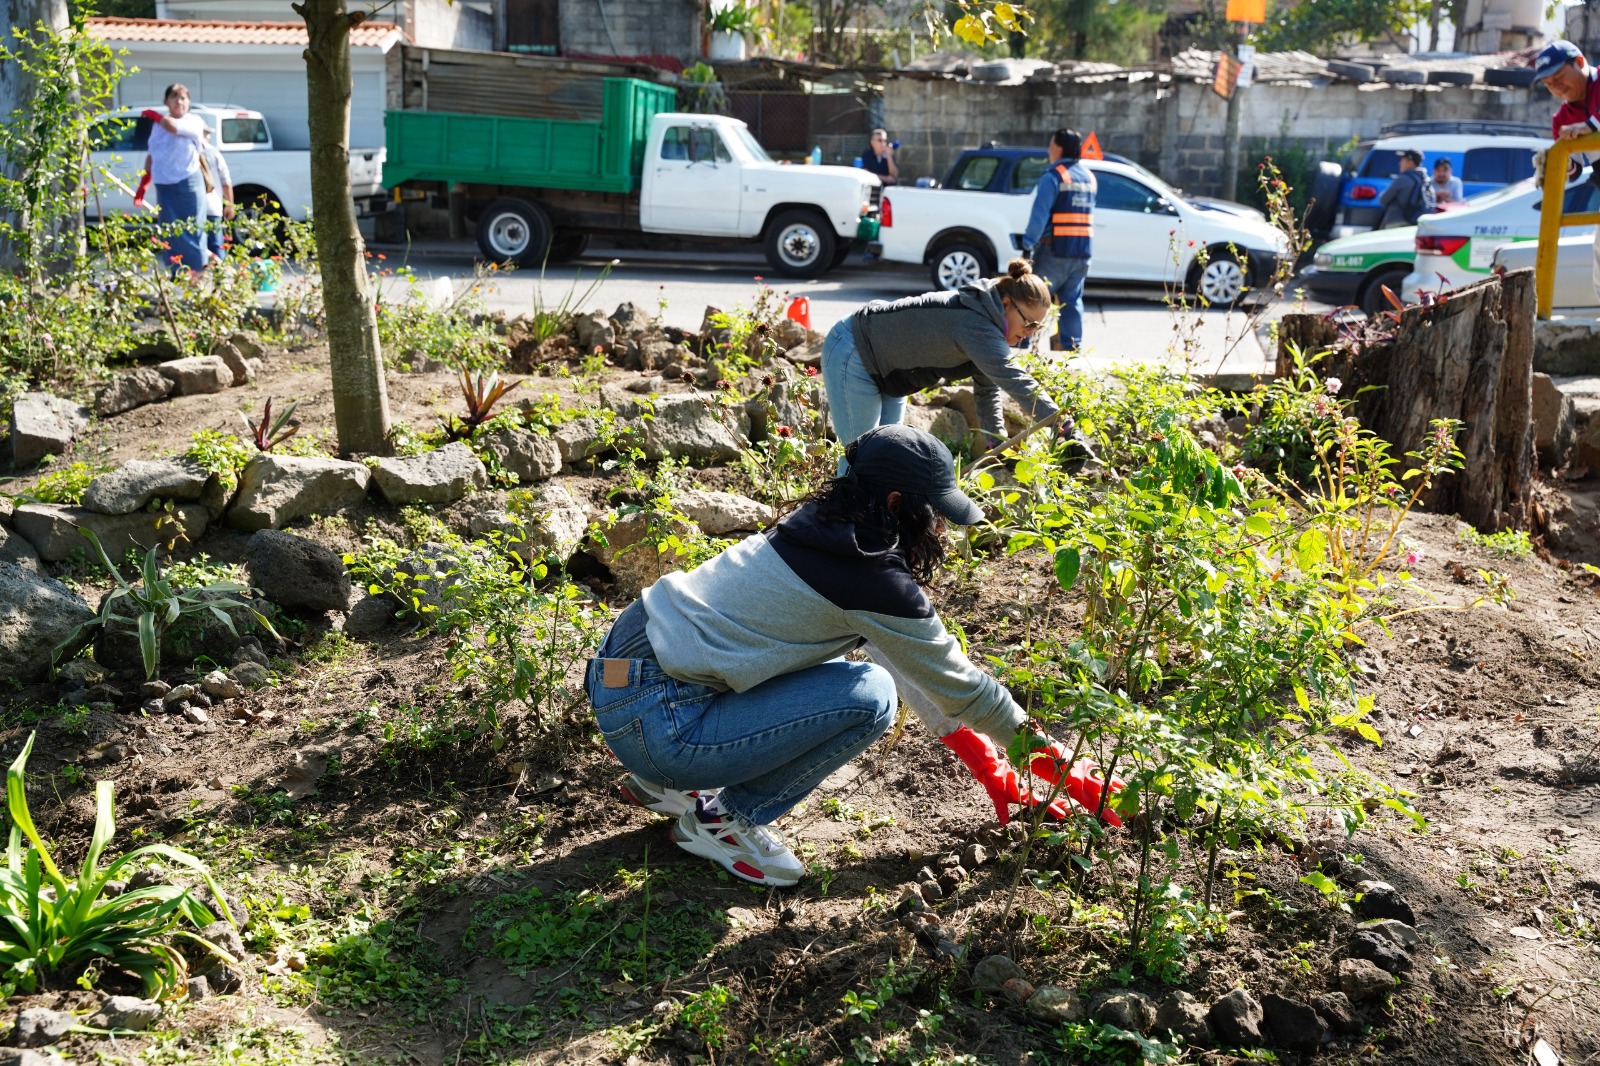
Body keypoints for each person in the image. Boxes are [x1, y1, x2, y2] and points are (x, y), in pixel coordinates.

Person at [587, 424, 1101, 886]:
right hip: (661, 725)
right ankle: (724, 821)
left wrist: (989, 766)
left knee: (835, 672)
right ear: (897, 503)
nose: (939, 527)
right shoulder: (870, 577)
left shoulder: (822, 525)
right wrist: (1065, 769)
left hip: (625, 666)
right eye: (934, 511)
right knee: (870, 696)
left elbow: (909, 664)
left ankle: (664, 784)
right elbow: (965, 689)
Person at [820, 259, 1059, 465]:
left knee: (886, 461)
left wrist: (996, 443)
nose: (1029, 333)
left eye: (1037, 328)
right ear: (1006, 303)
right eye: (1029, 323)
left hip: (890, 368)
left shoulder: (989, 328)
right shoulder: (976, 324)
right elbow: (1015, 379)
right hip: (856, 349)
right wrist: (1061, 424)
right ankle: (841, 507)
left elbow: (988, 390)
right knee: (860, 461)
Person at [1532, 39, 1600, 301]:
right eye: (1549, 84)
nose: (1556, 87)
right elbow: (1573, 172)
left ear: (1580, 62)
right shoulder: (1561, 120)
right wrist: (1554, 166)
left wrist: (1590, 126)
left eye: (1559, 77)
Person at [1023, 129, 1097, 352]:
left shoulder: (1053, 177)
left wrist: (1027, 244)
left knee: (1033, 300)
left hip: (1053, 251)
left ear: (1058, 148)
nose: (1048, 150)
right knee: (1072, 302)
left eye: (1050, 145)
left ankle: (1021, 348)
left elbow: (1039, 215)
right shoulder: (1089, 177)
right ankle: (1072, 351)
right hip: (1082, 252)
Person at [131, 84, 209, 273]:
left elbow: (172, 127)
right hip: (164, 185)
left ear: (189, 102)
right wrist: (143, 186)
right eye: (174, 97)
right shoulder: (157, 127)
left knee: (192, 229)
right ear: (166, 101)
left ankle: (196, 275)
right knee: (169, 231)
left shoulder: (193, 121)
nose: (179, 102)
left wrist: (155, 116)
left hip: (187, 181)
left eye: (183, 98)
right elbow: (152, 155)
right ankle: (176, 273)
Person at [199, 128, 235, 263]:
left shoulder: (184, 152)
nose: (208, 137)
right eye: (207, 133)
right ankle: (220, 275)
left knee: (196, 249)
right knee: (215, 246)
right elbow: (225, 182)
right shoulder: (213, 153)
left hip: (191, 208)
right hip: (212, 206)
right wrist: (230, 205)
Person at [1376, 149, 1433, 229]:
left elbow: (1383, 200)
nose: (1400, 163)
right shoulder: (1426, 180)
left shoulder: (1403, 179)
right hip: (1416, 226)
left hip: (1395, 224)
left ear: (1410, 161)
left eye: (1402, 160)